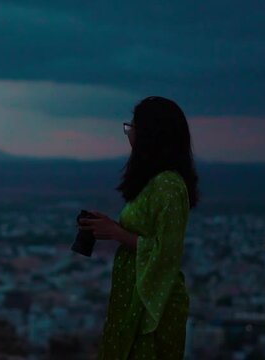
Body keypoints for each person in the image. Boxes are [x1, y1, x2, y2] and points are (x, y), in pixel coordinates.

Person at [78, 96, 200, 359]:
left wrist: (117, 233)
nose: (128, 132)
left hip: (153, 299)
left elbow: (166, 253)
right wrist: (109, 226)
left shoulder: (168, 186)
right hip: (132, 292)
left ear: (151, 134)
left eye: (132, 126)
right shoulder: (153, 181)